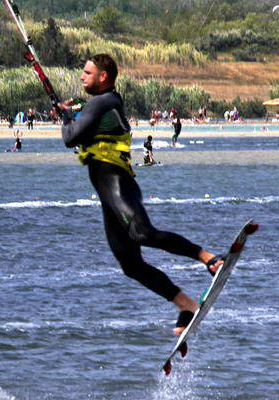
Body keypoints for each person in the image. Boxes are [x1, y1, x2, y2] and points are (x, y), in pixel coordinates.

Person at [58, 53, 224, 336]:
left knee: (143, 233)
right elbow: (82, 126)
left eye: (87, 73)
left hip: (118, 183)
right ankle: (186, 305)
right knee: (131, 265)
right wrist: (70, 112)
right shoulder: (101, 104)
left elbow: (70, 138)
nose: (82, 77)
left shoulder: (103, 101)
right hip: (108, 194)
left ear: (103, 77)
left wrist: (65, 117)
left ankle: (208, 257)